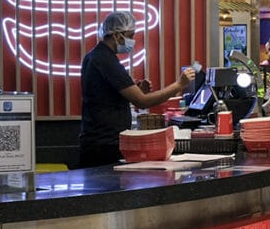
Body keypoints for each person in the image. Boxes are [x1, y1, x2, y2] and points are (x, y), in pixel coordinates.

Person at [79, 11, 195, 167]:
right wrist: (178, 85)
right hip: (105, 145)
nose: (132, 41)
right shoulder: (106, 61)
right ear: (116, 35)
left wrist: (138, 90)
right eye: (130, 35)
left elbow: (108, 95)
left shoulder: (95, 56)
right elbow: (142, 102)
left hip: (96, 141)